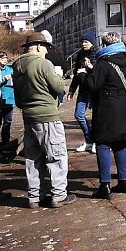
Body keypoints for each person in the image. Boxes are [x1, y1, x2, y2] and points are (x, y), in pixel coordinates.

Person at [13, 32, 76, 209]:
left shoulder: (17, 66)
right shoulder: (43, 63)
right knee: (56, 156)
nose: (47, 52)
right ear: (40, 46)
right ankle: (58, 195)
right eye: (46, 48)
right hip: (47, 116)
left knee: (33, 158)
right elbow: (58, 87)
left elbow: (18, 99)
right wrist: (58, 76)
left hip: (28, 116)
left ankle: (34, 197)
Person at [84, 31, 126, 200]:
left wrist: (85, 74)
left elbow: (94, 85)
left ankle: (105, 185)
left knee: (103, 144)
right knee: (121, 144)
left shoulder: (103, 62)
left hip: (108, 109)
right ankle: (124, 181)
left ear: (105, 45)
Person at [67, 31, 97, 153]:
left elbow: (98, 73)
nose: (84, 44)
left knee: (97, 117)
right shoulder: (80, 54)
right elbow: (76, 74)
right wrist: (71, 90)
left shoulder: (96, 54)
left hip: (94, 90)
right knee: (79, 114)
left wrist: (89, 69)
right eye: (82, 42)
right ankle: (89, 140)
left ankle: (96, 141)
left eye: (86, 42)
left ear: (92, 43)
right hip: (83, 90)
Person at [0, 51, 15, 148]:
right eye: (2, 58)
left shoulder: (10, 69)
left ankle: (5, 143)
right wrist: (4, 80)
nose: (4, 60)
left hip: (10, 98)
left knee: (8, 122)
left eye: (5, 58)